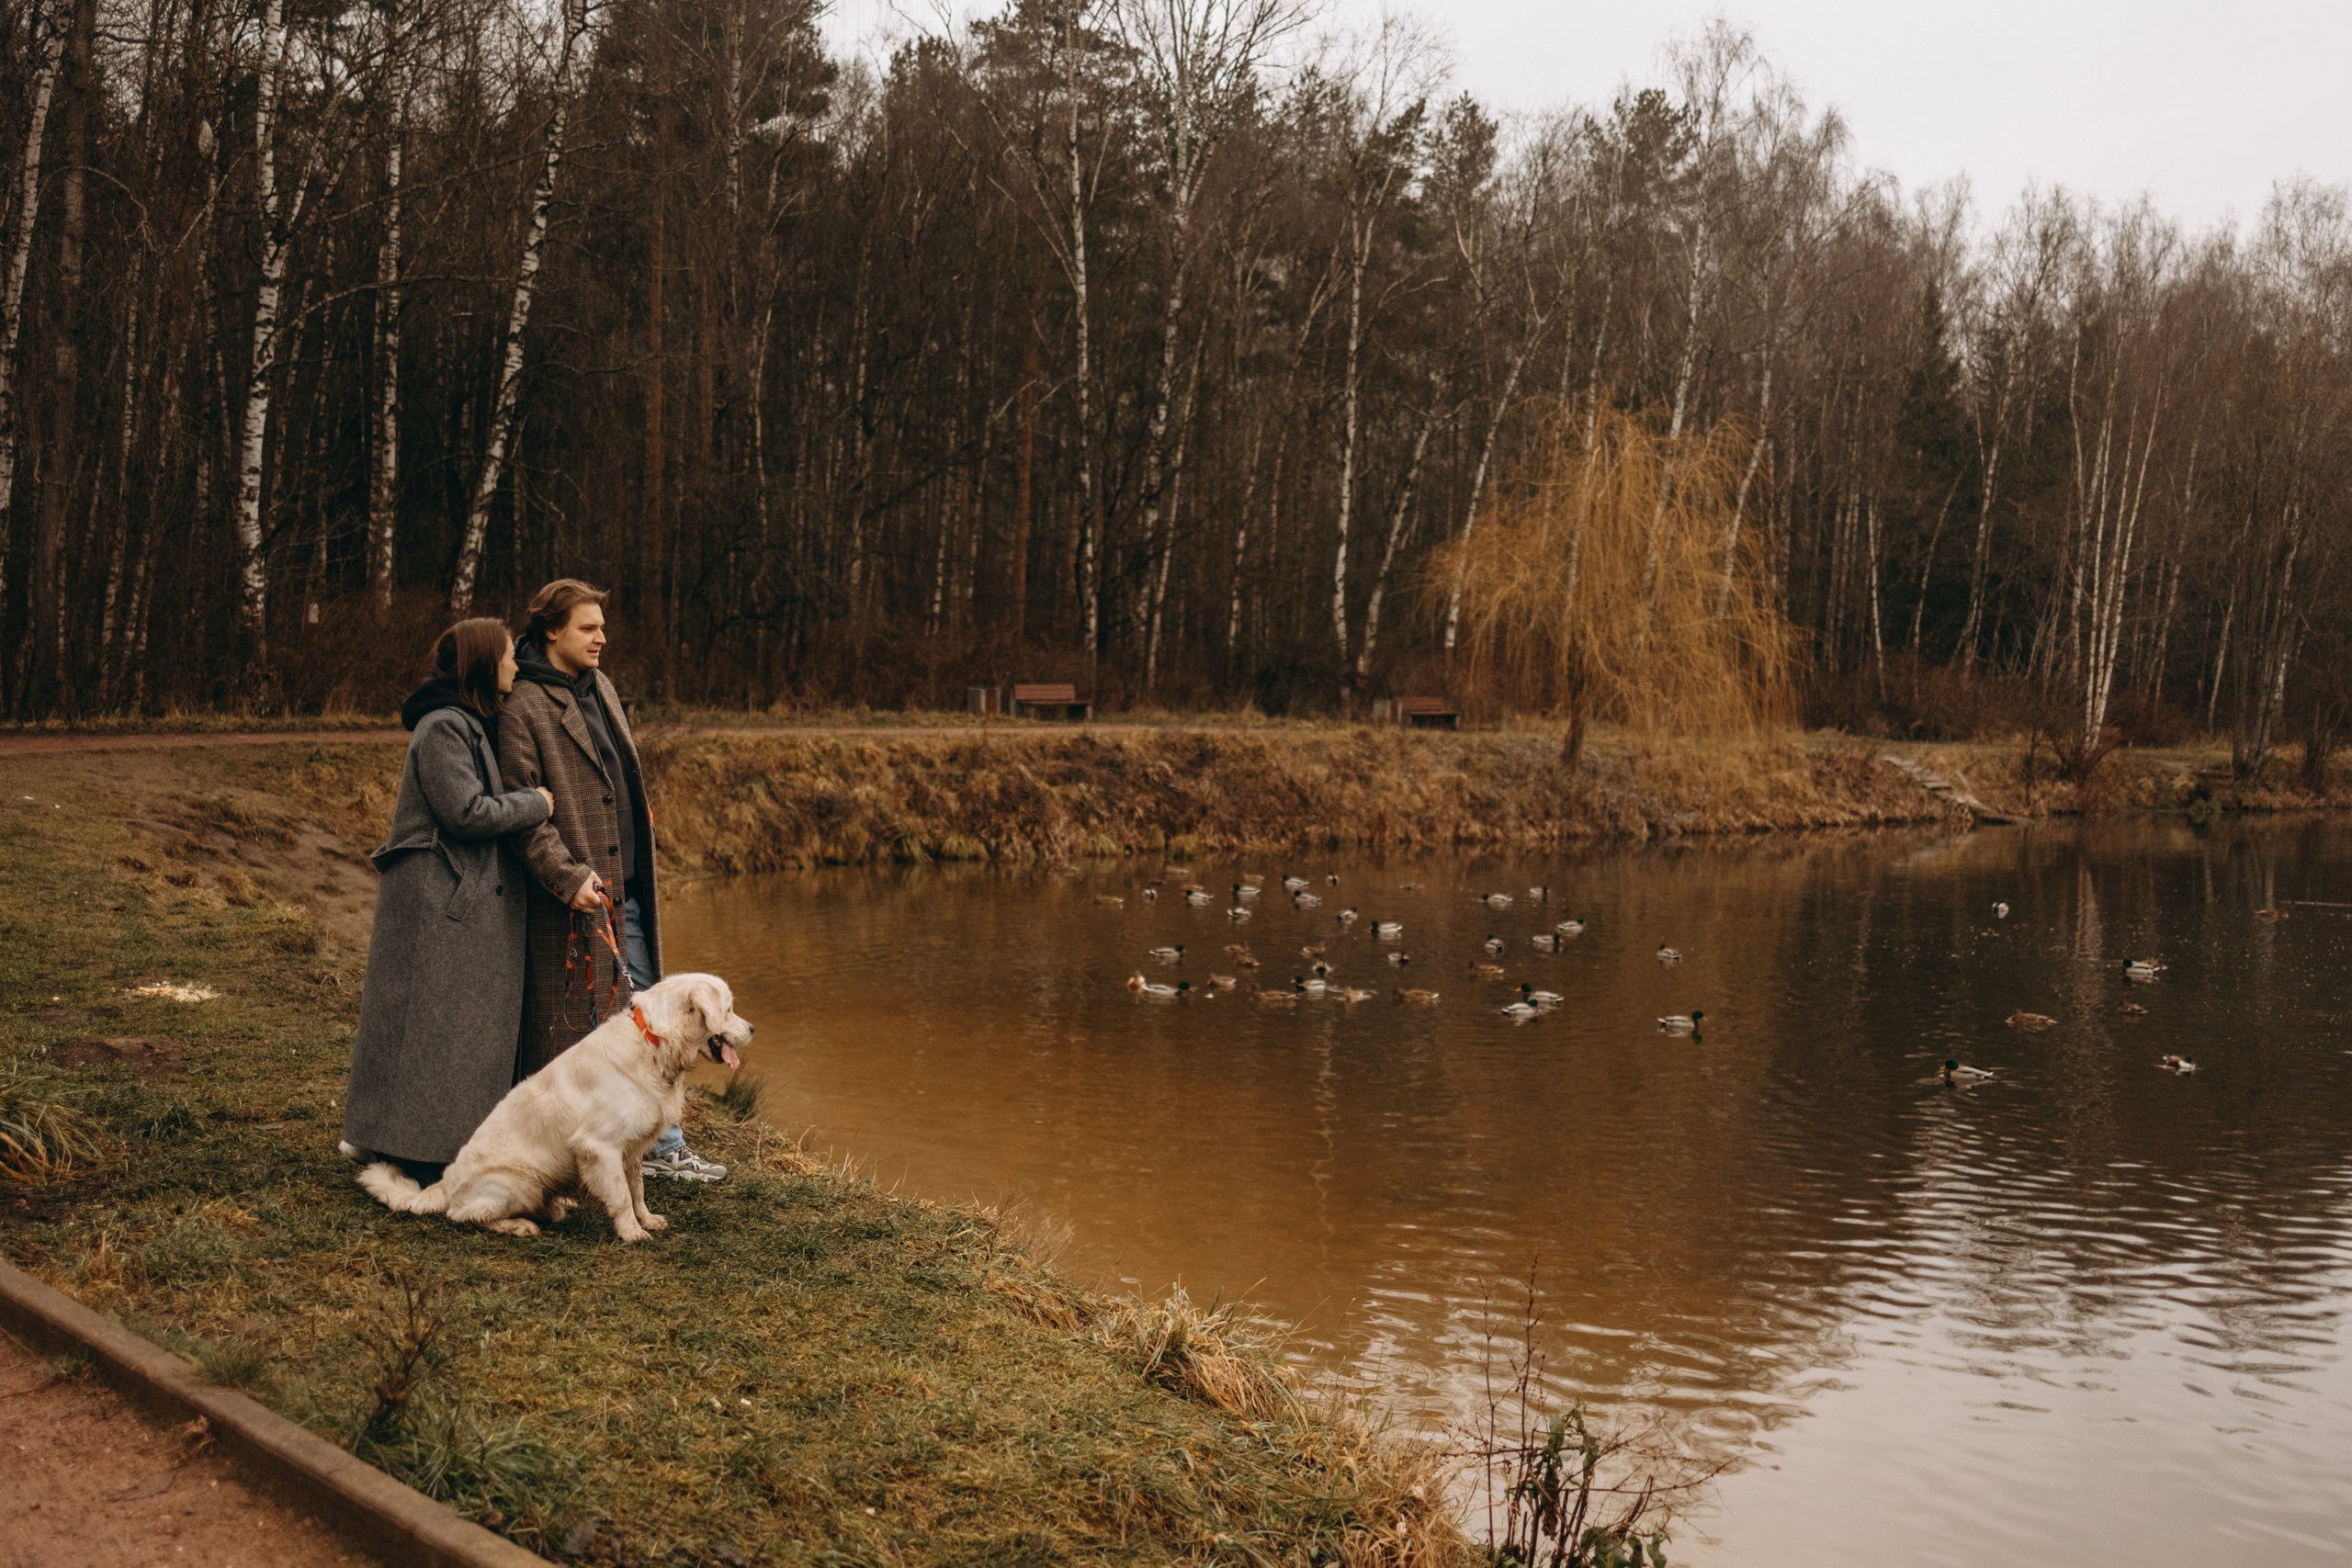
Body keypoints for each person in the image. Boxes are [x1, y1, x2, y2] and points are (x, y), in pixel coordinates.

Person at [498, 578, 727, 1182]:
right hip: (575, 898)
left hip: (629, 885)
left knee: (654, 1019)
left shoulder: (598, 684)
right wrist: (567, 875)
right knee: (591, 1034)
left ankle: (658, 1146)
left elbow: (617, 773)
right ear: (552, 630)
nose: (602, 637)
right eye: (588, 627)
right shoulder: (522, 706)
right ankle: (595, 1155)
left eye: (602, 626)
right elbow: (524, 815)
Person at [342, 619, 554, 1180]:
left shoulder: (470, 721)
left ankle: (407, 1141)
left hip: (456, 899)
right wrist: (536, 802)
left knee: (440, 1029)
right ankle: (409, 1146)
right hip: (437, 901)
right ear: (483, 663)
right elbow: (466, 812)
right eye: (508, 656)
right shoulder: (442, 727)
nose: (516, 666)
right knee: (427, 1027)